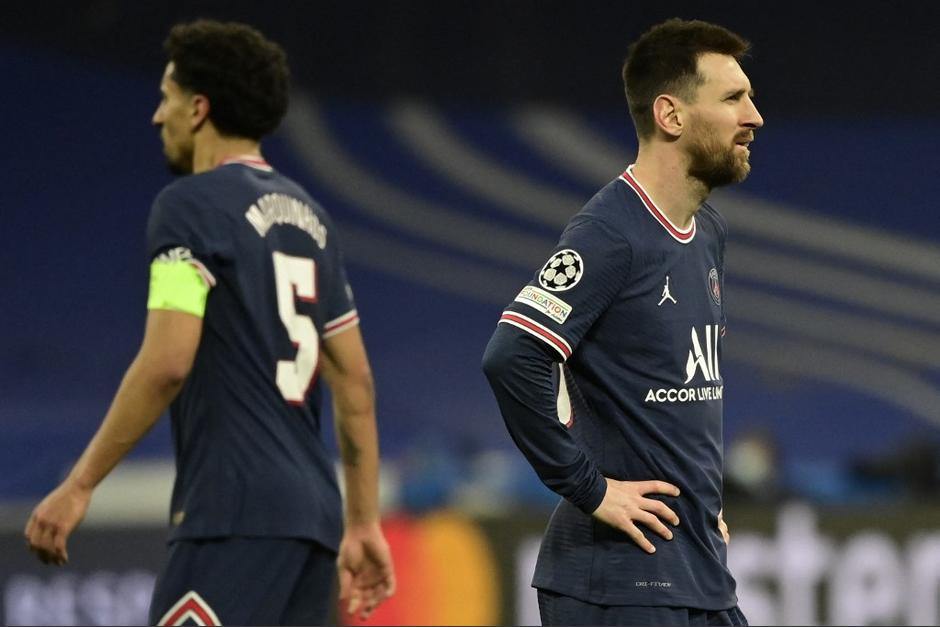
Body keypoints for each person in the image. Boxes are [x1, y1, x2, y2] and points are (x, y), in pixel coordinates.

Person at [24, 19, 394, 625]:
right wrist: (362, 522)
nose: (156, 116)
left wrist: (80, 484)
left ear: (198, 108)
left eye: (166, 97)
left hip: (231, 517)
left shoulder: (188, 208)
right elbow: (355, 382)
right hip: (314, 525)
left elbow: (168, 361)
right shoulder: (311, 219)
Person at [482, 18, 763, 626]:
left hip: (696, 570)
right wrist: (592, 489)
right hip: (619, 583)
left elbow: (673, 395)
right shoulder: (609, 233)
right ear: (671, 115)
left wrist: (699, 500)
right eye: (734, 98)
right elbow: (512, 356)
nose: (755, 116)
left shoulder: (708, 232)